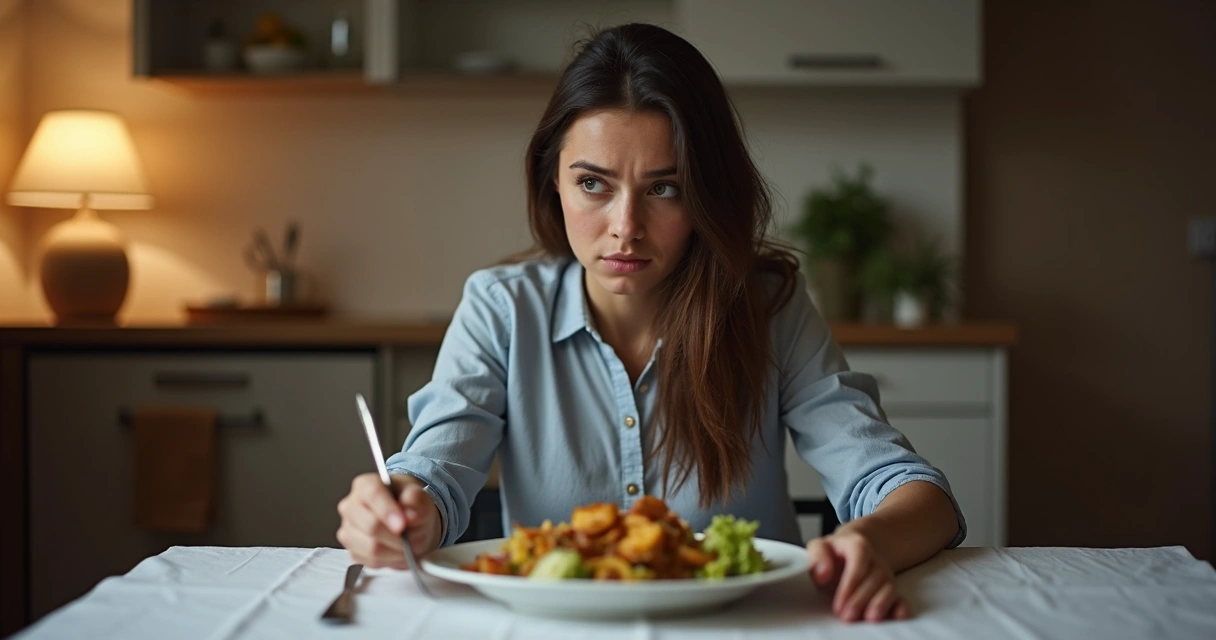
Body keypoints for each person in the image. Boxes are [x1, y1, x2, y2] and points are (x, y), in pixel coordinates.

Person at [336, 23, 965, 623]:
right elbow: (436, 474)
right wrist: (405, 507)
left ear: (706, 193)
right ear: (552, 180)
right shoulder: (502, 308)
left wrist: (873, 541)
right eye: (593, 184)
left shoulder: (767, 306)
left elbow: (910, 491)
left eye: (665, 189)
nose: (626, 226)